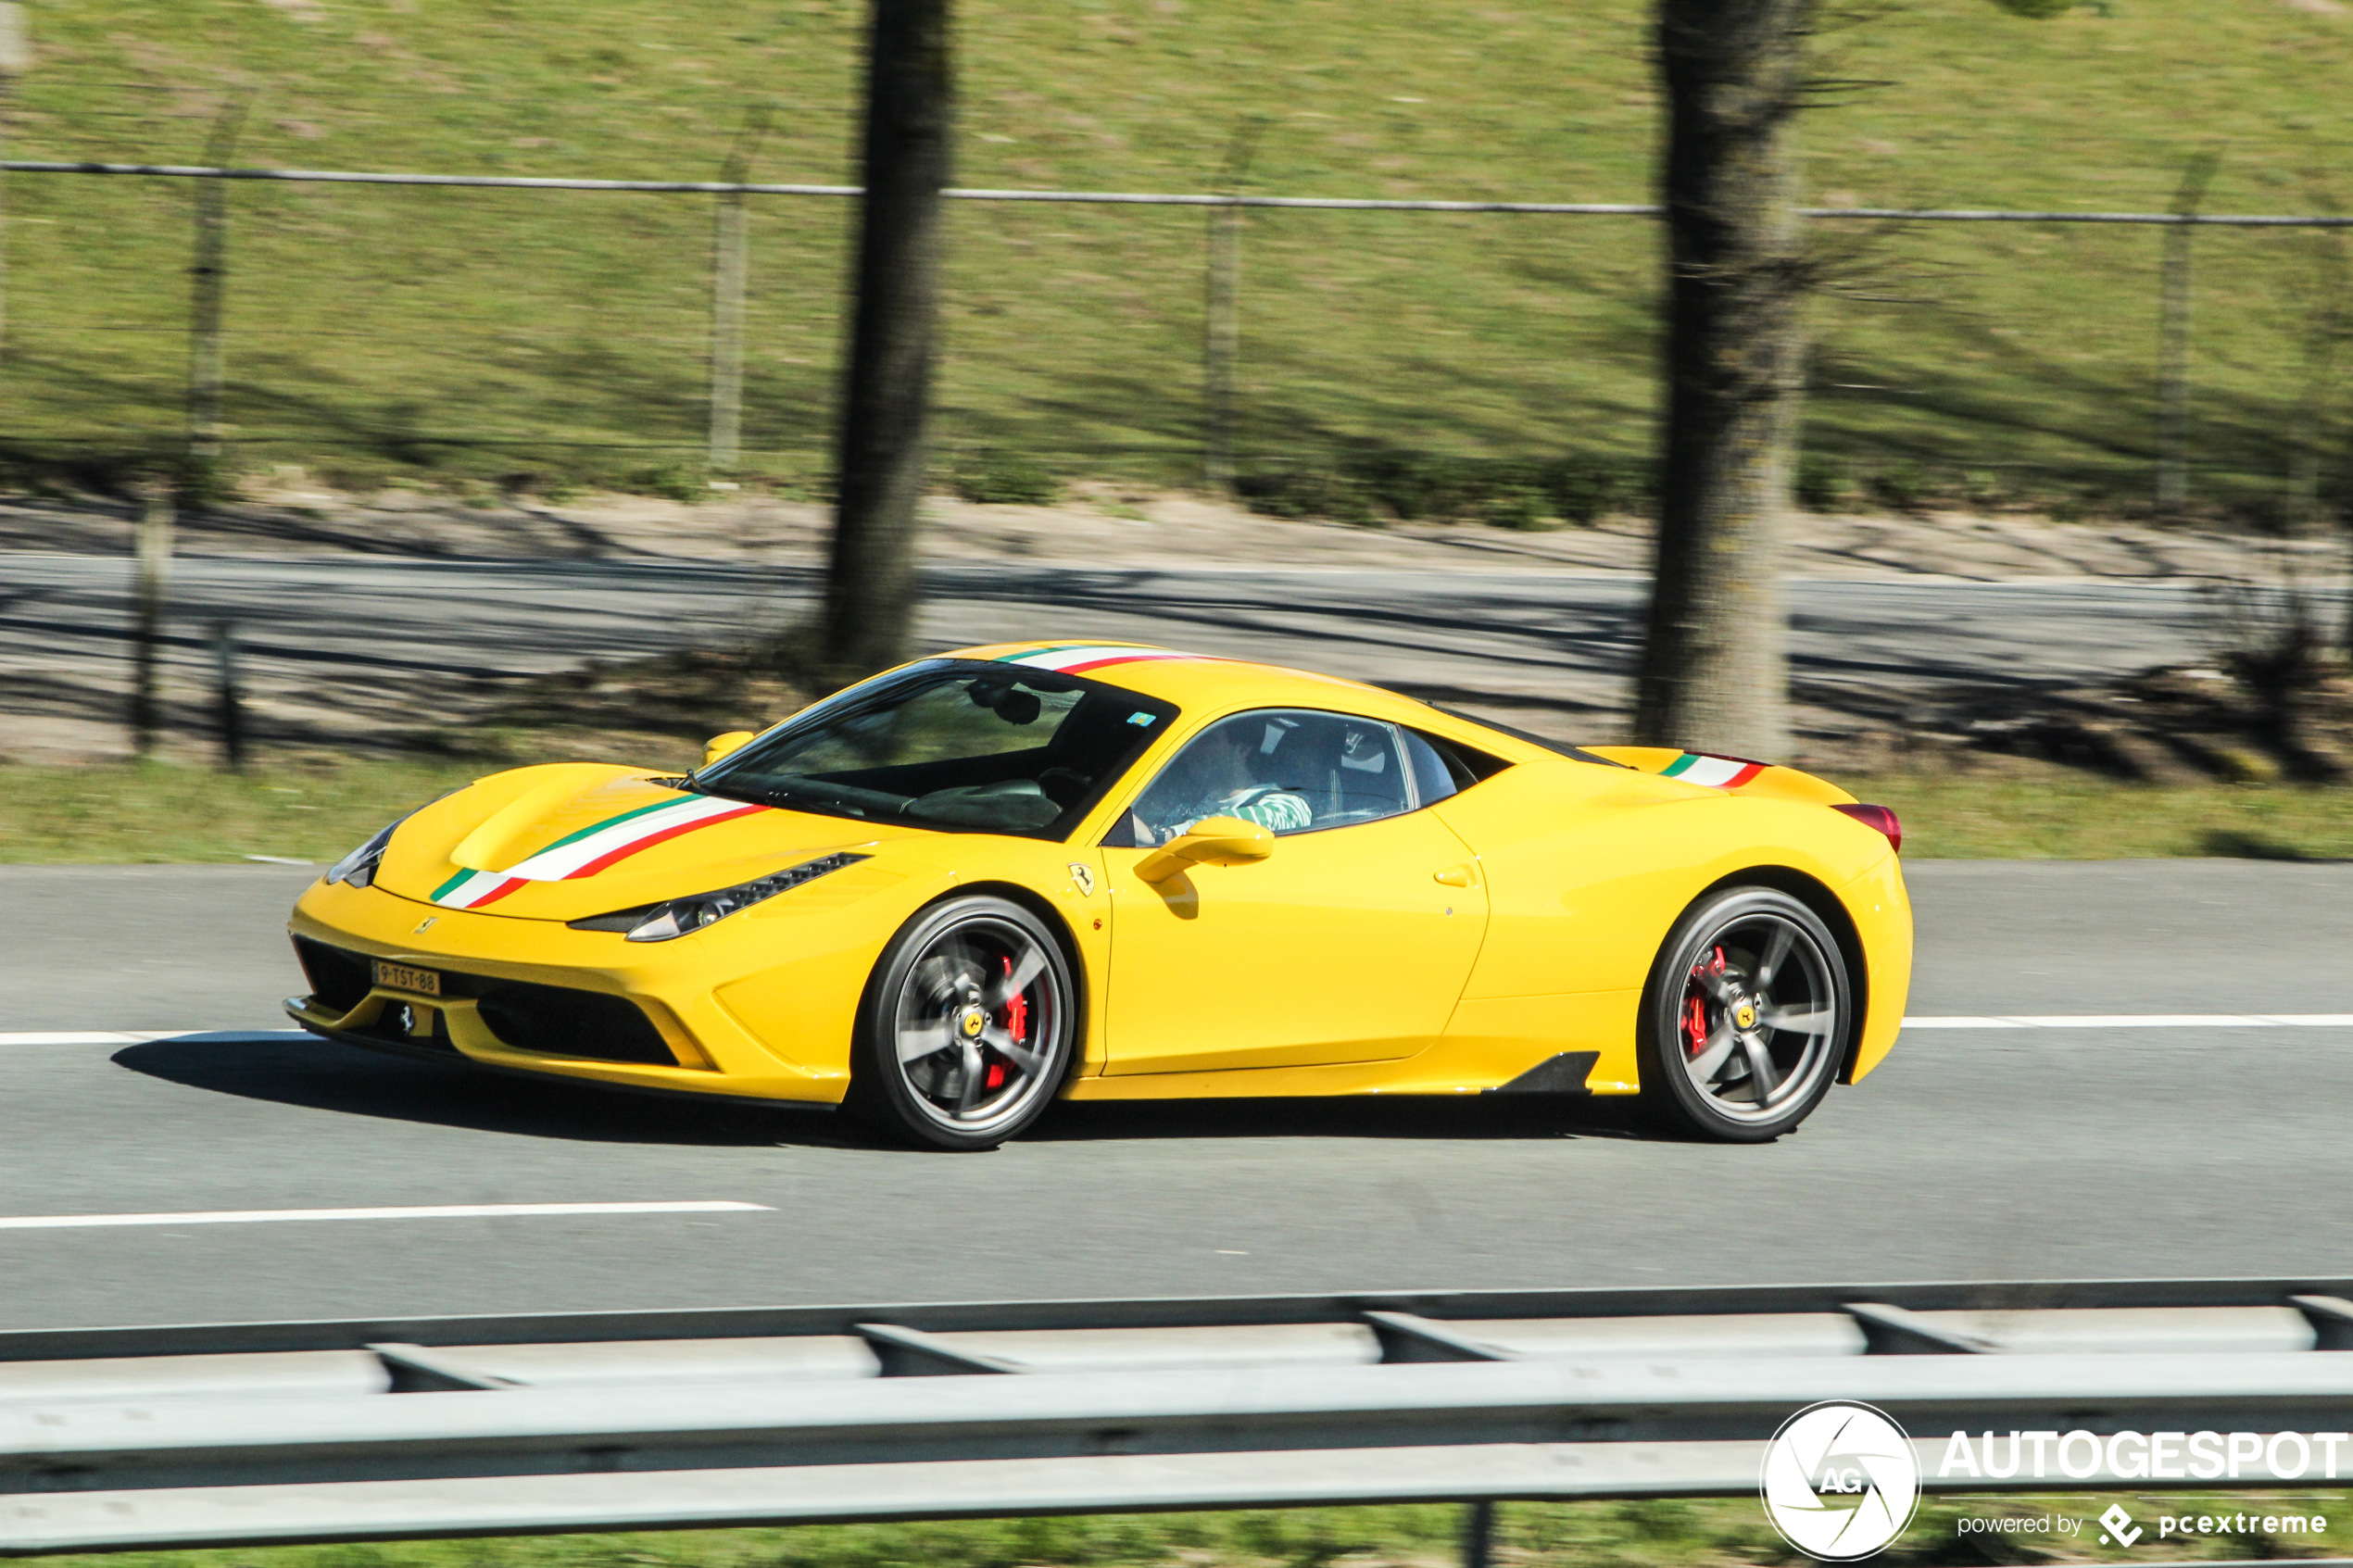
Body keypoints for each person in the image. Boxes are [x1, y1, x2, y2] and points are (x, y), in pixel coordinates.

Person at [1135, 720, 1312, 844]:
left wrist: (1163, 837)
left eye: (1208, 740)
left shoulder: (1286, 804)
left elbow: (1250, 822)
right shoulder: (1196, 800)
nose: (1193, 748)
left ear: (1242, 750)